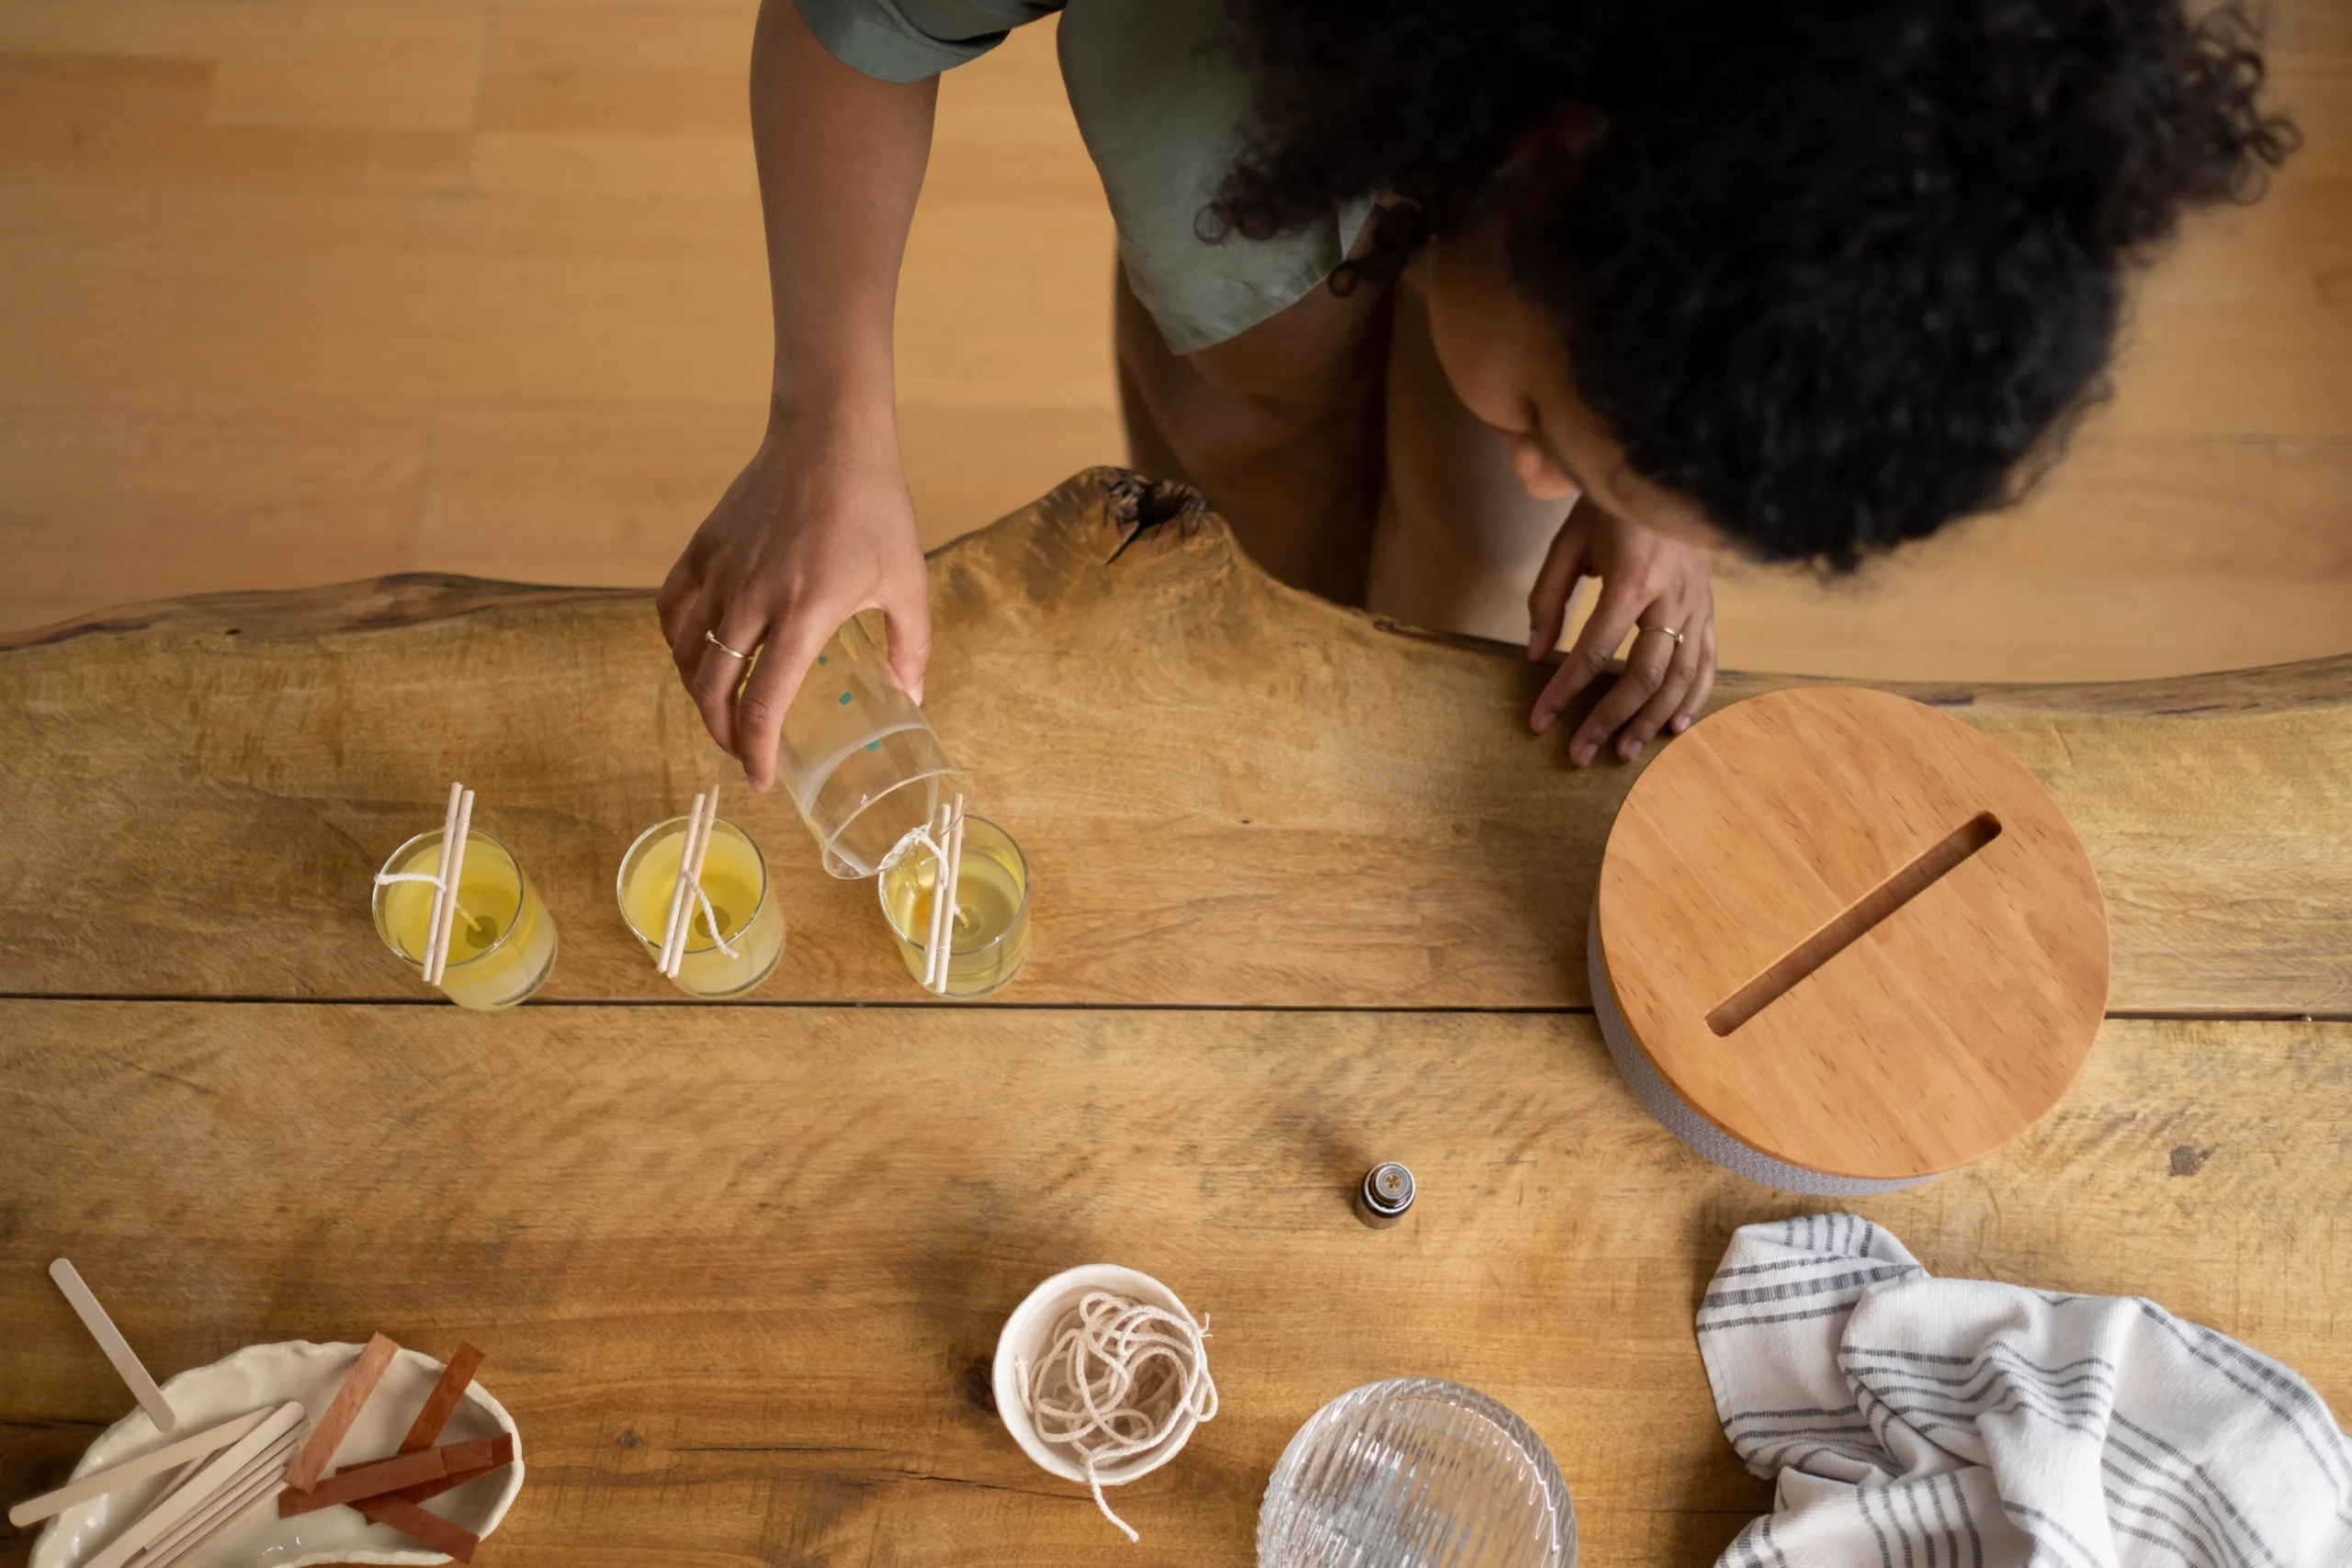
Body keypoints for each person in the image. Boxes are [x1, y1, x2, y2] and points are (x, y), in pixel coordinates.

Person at [659, 0, 2292, 791]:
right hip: (1246, 201)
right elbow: (855, 32)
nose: (1545, 473)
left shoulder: (1838, 106)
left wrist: (1659, 487)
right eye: (1565, 433)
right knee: (1258, 468)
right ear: (1558, 163)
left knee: (1470, 556)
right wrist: (829, 427)